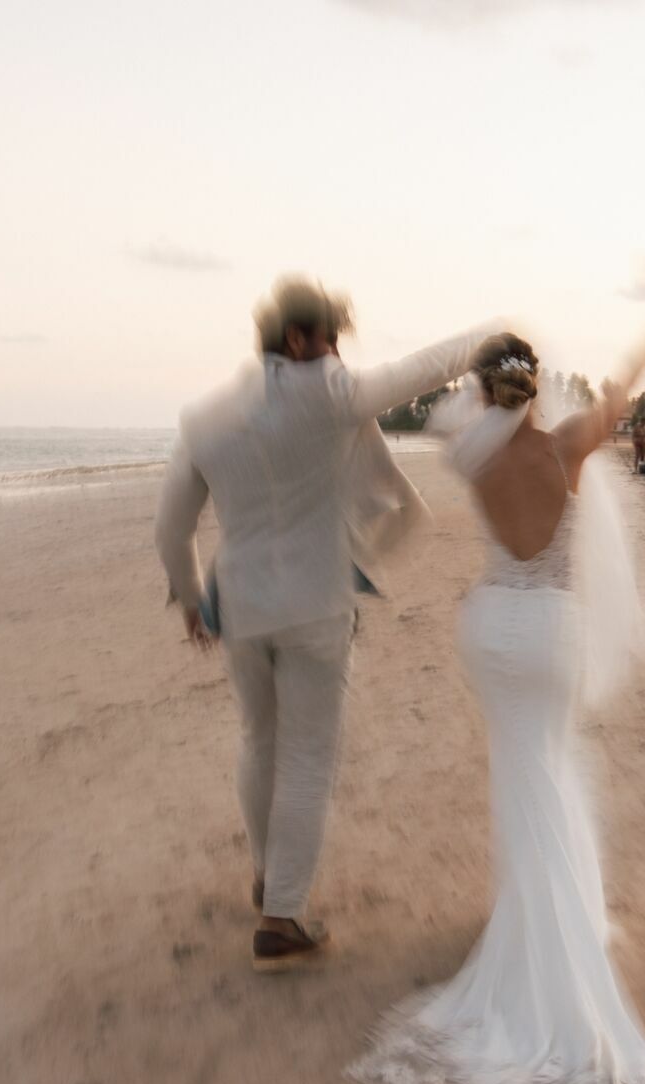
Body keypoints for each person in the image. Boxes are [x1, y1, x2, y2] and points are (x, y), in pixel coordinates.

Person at [349, 323, 645, 1084]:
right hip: (552, 632)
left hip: (494, 628)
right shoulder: (568, 444)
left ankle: (532, 921)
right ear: (539, 390)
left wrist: (479, 370)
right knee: (549, 774)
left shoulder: (467, 445)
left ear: (486, 392)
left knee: (522, 779)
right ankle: (551, 927)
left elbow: (430, 404)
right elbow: (618, 400)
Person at [155, 276, 491, 971]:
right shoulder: (330, 391)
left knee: (259, 739)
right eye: (330, 337)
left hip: (240, 605)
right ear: (299, 338)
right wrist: (491, 337)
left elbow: (173, 524)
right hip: (315, 605)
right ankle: (282, 915)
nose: (338, 351)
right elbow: (419, 371)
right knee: (307, 757)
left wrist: (191, 597)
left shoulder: (205, 413)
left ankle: (265, 875)